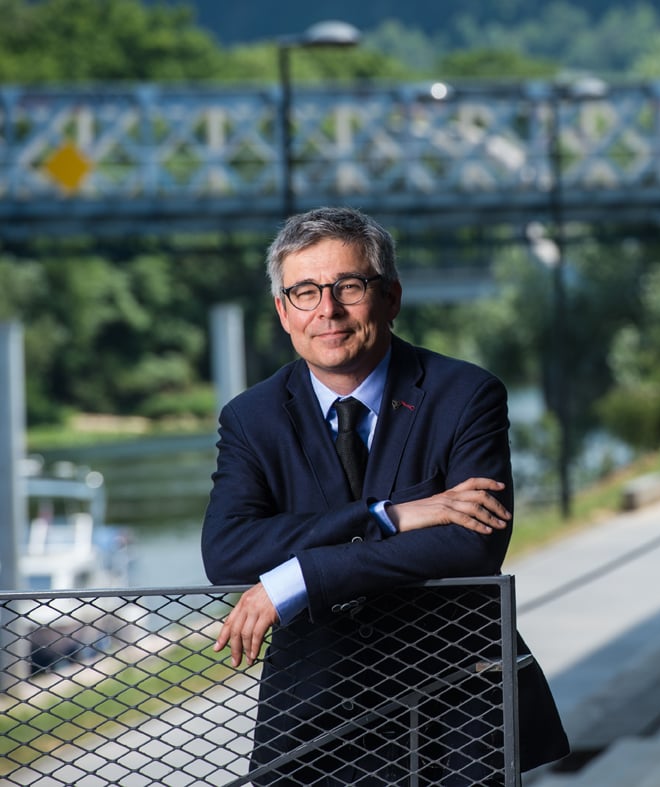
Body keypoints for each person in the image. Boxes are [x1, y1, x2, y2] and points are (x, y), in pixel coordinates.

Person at [202, 206, 569, 785]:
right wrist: (389, 515)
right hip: (312, 723)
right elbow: (226, 553)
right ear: (282, 312)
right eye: (304, 292)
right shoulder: (251, 419)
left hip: (452, 717)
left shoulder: (466, 394)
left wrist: (298, 576)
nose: (328, 310)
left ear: (391, 297)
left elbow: (472, 548)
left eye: (349, 286)